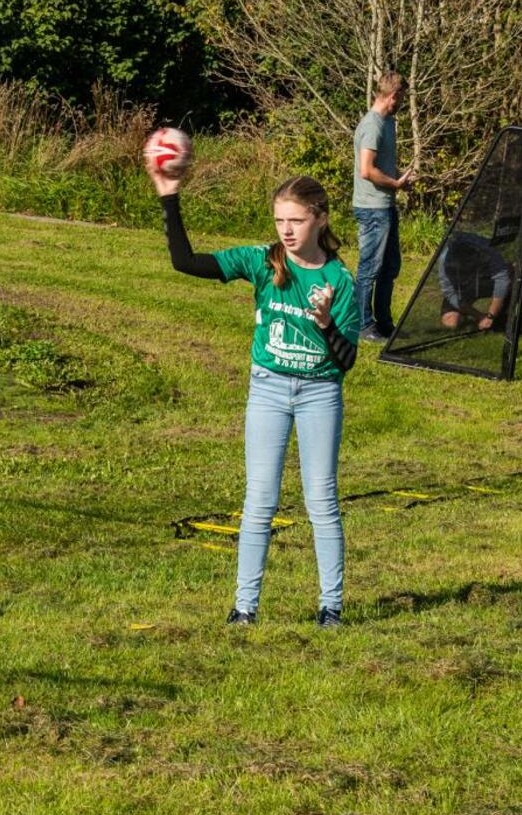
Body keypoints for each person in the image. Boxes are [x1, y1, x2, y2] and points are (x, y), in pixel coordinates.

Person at [145, 157, 361, 628]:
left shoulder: (340, 281)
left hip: (319, 394)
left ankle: (331, 607)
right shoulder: (264, 261)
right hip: (268, 390)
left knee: (321, 501)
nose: (286, 230)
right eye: (280, 220)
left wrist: (326, 323)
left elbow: (347, 360)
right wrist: (169, 195)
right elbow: (185, 262)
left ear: (321, 219)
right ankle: (244, 608)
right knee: (259, 500)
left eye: (296, 220)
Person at [353, 71, 415, 342]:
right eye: (402, 97)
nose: (403, 102)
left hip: (385, 206)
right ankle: (362, 325)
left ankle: (384, 324)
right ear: (394, 96)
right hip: (372, 209)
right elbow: (367, 170)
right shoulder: (373, 125)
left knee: (390, 267)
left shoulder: (388, 122)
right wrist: (395, 184)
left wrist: (399, 178)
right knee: (370, 268)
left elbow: (382, 166)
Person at [436, 231, 512, 332]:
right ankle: (467, 315)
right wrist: (479, 316)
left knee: (513, 273)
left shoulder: (486, 249)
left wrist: (491, 316)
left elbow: (502, 279)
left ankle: (503, 314)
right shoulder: (444, 260)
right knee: (451, 323)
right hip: (464, 287)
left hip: (485, 278)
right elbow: (450, 293)